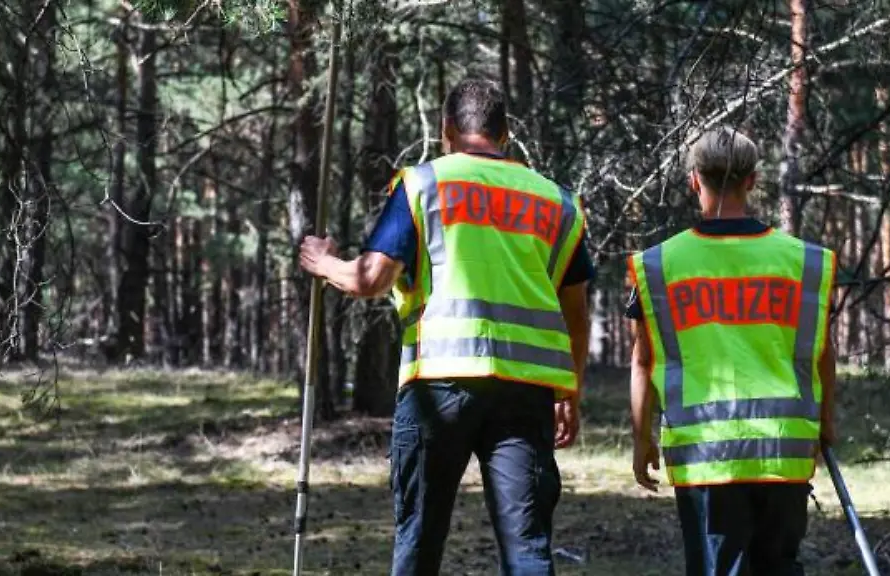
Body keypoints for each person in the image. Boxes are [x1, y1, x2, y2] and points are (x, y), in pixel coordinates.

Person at [299, 77, 593, 576]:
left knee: (420, 541)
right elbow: (576, 312)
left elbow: (370, 279)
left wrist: (323, 262)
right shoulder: (557, 202)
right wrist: (572, 390)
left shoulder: (423, 183)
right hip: (526, 392)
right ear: (505, 134)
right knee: (527, 550)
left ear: (447, 131)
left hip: (440, 383)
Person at [625, 126, 837, 576]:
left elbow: (643, 361)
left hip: (706, 456)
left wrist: (642, 439)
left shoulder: (661, 265)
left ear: (693, 181)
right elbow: (822, 353)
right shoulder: (802, 261)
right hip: (783, 449)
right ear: (752, 180)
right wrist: (826, 427)